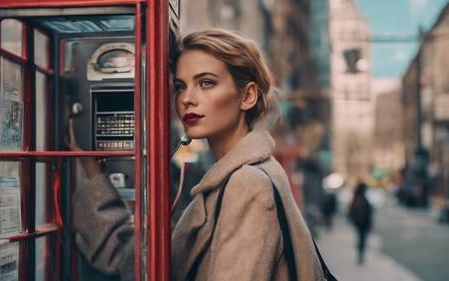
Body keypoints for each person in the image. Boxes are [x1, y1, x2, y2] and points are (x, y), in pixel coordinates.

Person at [68, 29, 325, 280]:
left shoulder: (247, 185)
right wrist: (93, 174)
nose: (187, 99)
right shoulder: (240, 175)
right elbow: (142, 264)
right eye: (180, 86)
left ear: (247, 96)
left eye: (206, 83)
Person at [348, 182, 373, 265]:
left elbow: (351, 212)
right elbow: (367, 212)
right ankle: (360, 255)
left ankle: (360, 254)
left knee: (361, 239)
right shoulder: (361, 199)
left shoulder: (356, 198)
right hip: (362, 223)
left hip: (359, 223)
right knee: (362, 239)